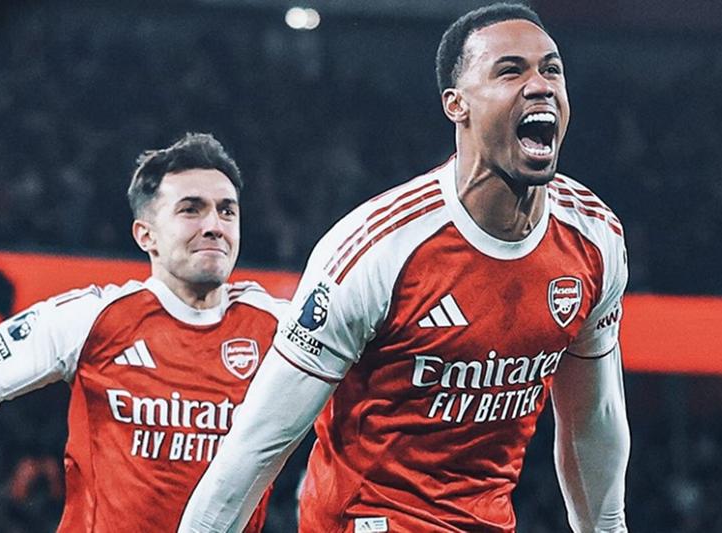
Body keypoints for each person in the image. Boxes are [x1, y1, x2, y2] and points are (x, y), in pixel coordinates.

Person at [180, 3, 630, 532]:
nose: (540, 86)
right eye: (511, 71)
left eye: (552, 70)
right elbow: (257, 445)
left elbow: (592, 420)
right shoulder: (377, 249)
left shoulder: (594, 238)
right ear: (456, 105)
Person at [0, 133, 284, 532]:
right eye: (191, 210)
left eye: (227, 211)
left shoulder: (277, 328)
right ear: (146, 235)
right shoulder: (93, 317)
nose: (214, 226)